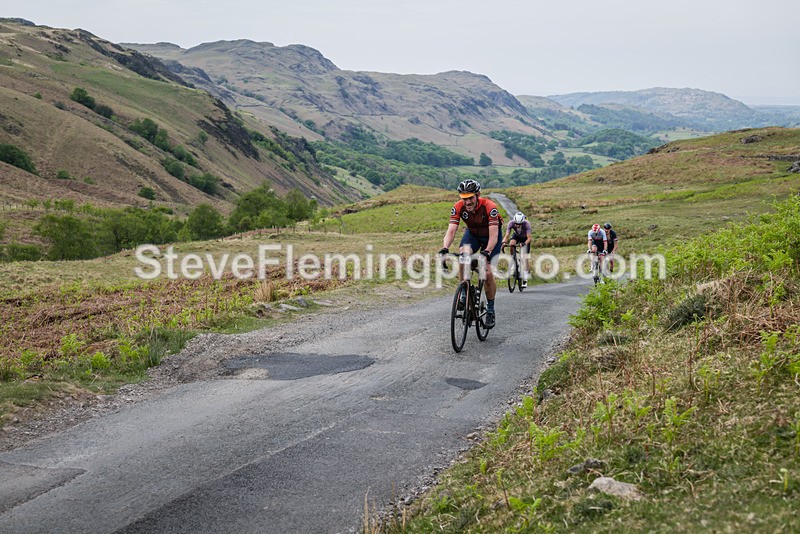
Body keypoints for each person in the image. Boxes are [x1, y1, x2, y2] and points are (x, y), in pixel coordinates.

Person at [439, 179, 503, 328]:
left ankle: (491, 310)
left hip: (490, 237)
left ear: (478, 195)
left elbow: (494, 236)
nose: (467, 202)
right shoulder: (458, 207)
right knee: (463, 257)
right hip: (473, 234)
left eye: (470, 198)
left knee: (486, 272)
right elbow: (451, 231)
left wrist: (486, 252)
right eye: (464, 198)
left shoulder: (490, 207)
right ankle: (464, 291)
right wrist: (445, 248)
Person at [502, 211, 532, 288]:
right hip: (517, 236)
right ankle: (513, 260)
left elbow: (529, 238)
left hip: (525, 238)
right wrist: (503, 242)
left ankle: (525, 279)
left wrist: (524, 244)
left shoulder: (527, 224)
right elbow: (507, 235)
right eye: (516, 223)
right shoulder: (511, 223)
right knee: (511, 243)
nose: (517, 225)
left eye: (519, 224)